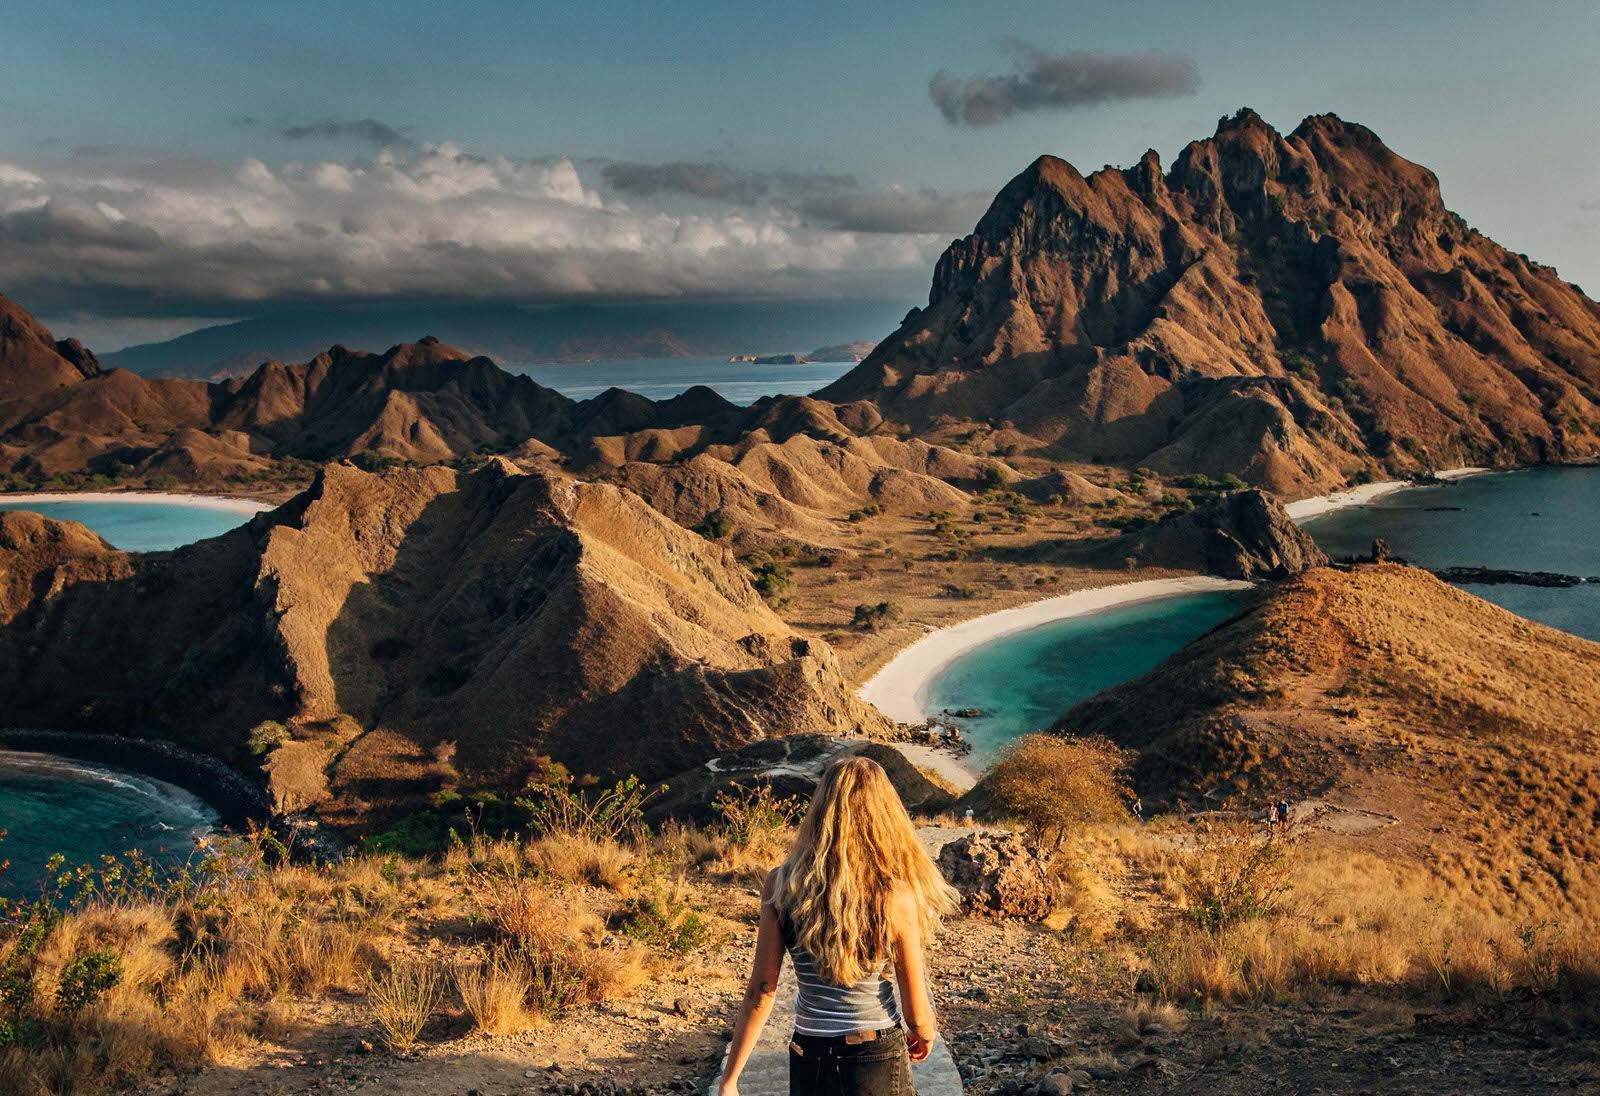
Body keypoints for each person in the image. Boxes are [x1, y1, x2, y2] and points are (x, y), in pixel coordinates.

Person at [716, 756, 959, 1095]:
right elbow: (915, 1009)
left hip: (809, 1053)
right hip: (874, 1055)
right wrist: (924, 1031)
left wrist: (730, 1080)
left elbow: (761, 991)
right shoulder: (893, 896)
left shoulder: (782, 884)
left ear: (821, 812)